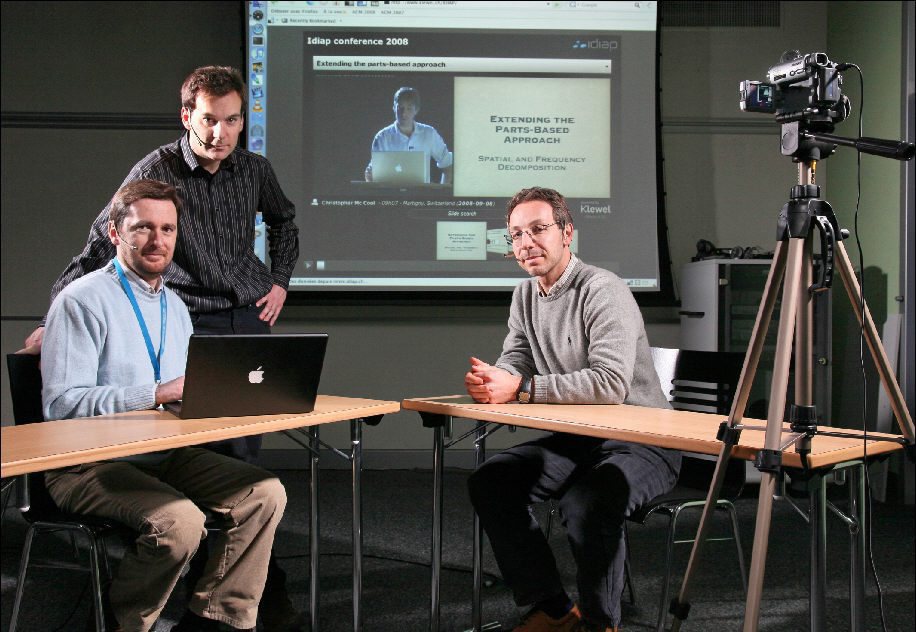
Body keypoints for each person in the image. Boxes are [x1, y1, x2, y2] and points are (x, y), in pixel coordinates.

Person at [24, 65, 303, 631]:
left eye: (232, 121)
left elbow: (285, 222)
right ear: (187, 116)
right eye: (209, 120)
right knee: (208, 485)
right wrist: (57, 313)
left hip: (242, 317)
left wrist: (280, 280)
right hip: (185, 320)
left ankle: (222, 617)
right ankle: (163, 612)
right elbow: (98, 246)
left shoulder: (253, 169)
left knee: (253, 479)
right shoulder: (155, 173)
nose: (221, 133)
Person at [464, 187, 681, 632]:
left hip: (646, 441)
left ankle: (601, 624)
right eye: (516, 234)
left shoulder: (603, 290)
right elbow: (517, 358)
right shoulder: (524, 296)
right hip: (580, 437)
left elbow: (610, 383)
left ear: (567, 233)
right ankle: (553, 609)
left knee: (587, 503)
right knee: (492, 481)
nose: (526, 242)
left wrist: (519, 389)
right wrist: (495, 380)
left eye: (539, 229)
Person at [364, 86, 453, 184]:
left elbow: (447, 165)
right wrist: (370, 176)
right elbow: (372, 173)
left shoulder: (429, 133)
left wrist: (440, 195)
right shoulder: (382, 137)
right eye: (400, 108)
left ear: (416, 110)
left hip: (422, 197)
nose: (404, 113)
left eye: (409, 108)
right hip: (392, 196)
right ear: (394, 108)